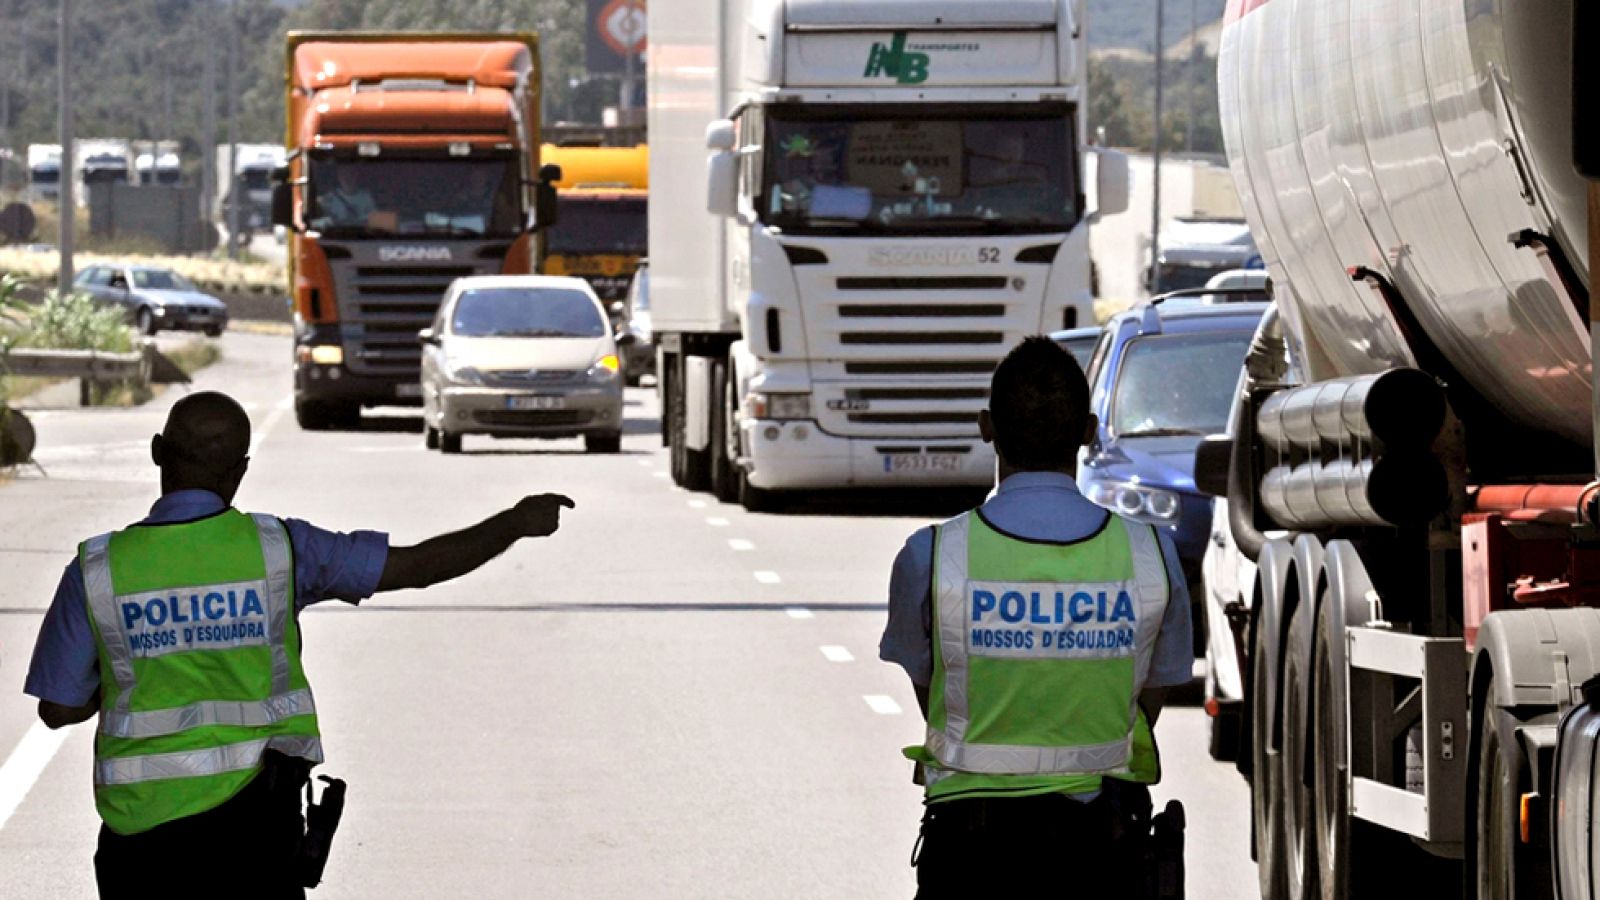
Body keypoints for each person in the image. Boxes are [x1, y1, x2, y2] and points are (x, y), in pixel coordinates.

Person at [23, 391, 575, 899]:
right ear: (239, 471)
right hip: (256, 833)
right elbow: (418, 567)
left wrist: (135, 660)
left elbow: (58, 708)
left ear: (158, 452)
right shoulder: (282, 550)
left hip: (140, 842)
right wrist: (514, 522)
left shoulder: (97, 569)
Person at [879, 336, 1193, 898]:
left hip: (970, 851)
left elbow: (934, 693)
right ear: (1089, 430)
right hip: (1105, 847)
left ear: (986, 427)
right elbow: (1150, 698)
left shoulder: (931, 556)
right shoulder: (1151, 553)